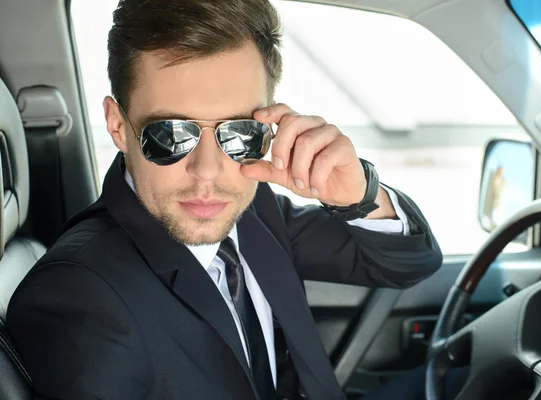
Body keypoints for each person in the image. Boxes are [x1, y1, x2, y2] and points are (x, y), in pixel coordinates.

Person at [6, 0, 450, 399]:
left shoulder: (255, 210)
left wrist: (357, 193)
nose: (208, 171)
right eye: (171, 134)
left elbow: (411, 264)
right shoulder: (80, 297)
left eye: (238, 133)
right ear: (119, 126)